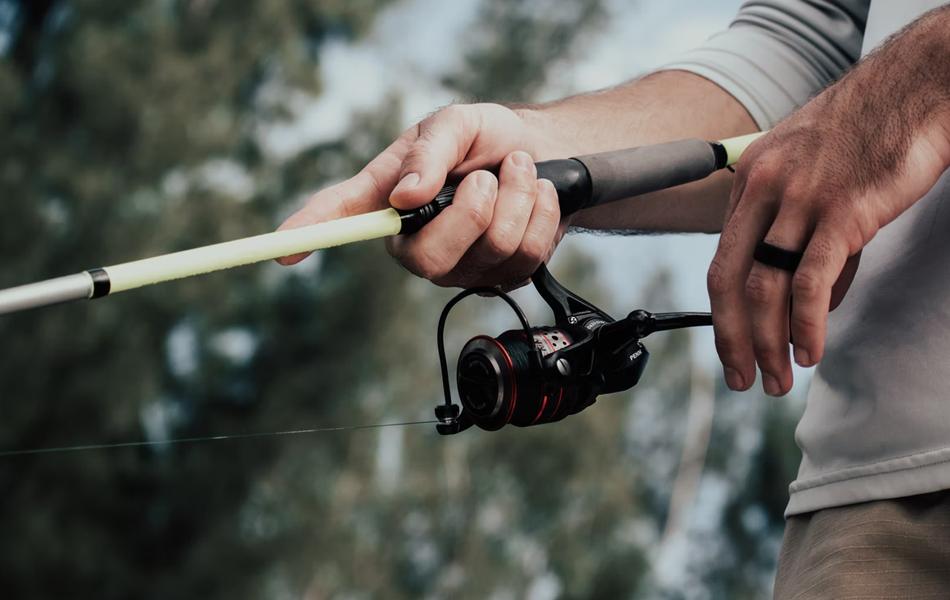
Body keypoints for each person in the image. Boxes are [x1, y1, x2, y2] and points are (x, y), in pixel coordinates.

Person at [279, 1, 950, 596]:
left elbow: (889, 82)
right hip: (867, 505)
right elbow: (812, 50)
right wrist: (534, 162)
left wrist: (929, 70)